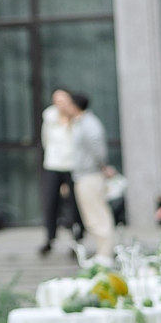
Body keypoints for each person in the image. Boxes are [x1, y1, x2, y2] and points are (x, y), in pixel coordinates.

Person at [69, 92, 116, 262]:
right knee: (93, 217)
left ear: (75, 106)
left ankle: (105, 254)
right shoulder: (81, 122)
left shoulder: (89, 123)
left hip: (91, 175)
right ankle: (103, 252)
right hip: (85, 174)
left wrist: (103, 166)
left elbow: (97, 148)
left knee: (97, 216)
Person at [38, 89, 83, 256]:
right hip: (53, 164)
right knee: (50, 202)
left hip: (73, 165)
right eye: (56, 100)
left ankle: (77, 239)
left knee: (75, 203)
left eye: (62, 100)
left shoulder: (77, 117)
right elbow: (46, 140)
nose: (60, 104)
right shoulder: (49, 117)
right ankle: (50, 238)